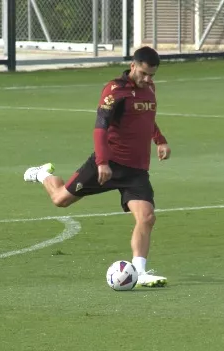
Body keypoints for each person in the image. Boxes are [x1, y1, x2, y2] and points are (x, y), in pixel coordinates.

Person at [23, 46, 170, 287]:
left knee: (147, 217)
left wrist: (160, 139)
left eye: (152, 75)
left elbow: (147, 118)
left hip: (135, 170)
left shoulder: (149, 89)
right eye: (143, 74)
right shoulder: (115, 90)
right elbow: (100, 126)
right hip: (108, 163)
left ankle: (140, 271)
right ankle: (41, 175)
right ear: (133, 65)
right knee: (60, 200)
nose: (147, 80)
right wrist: (102, 162)